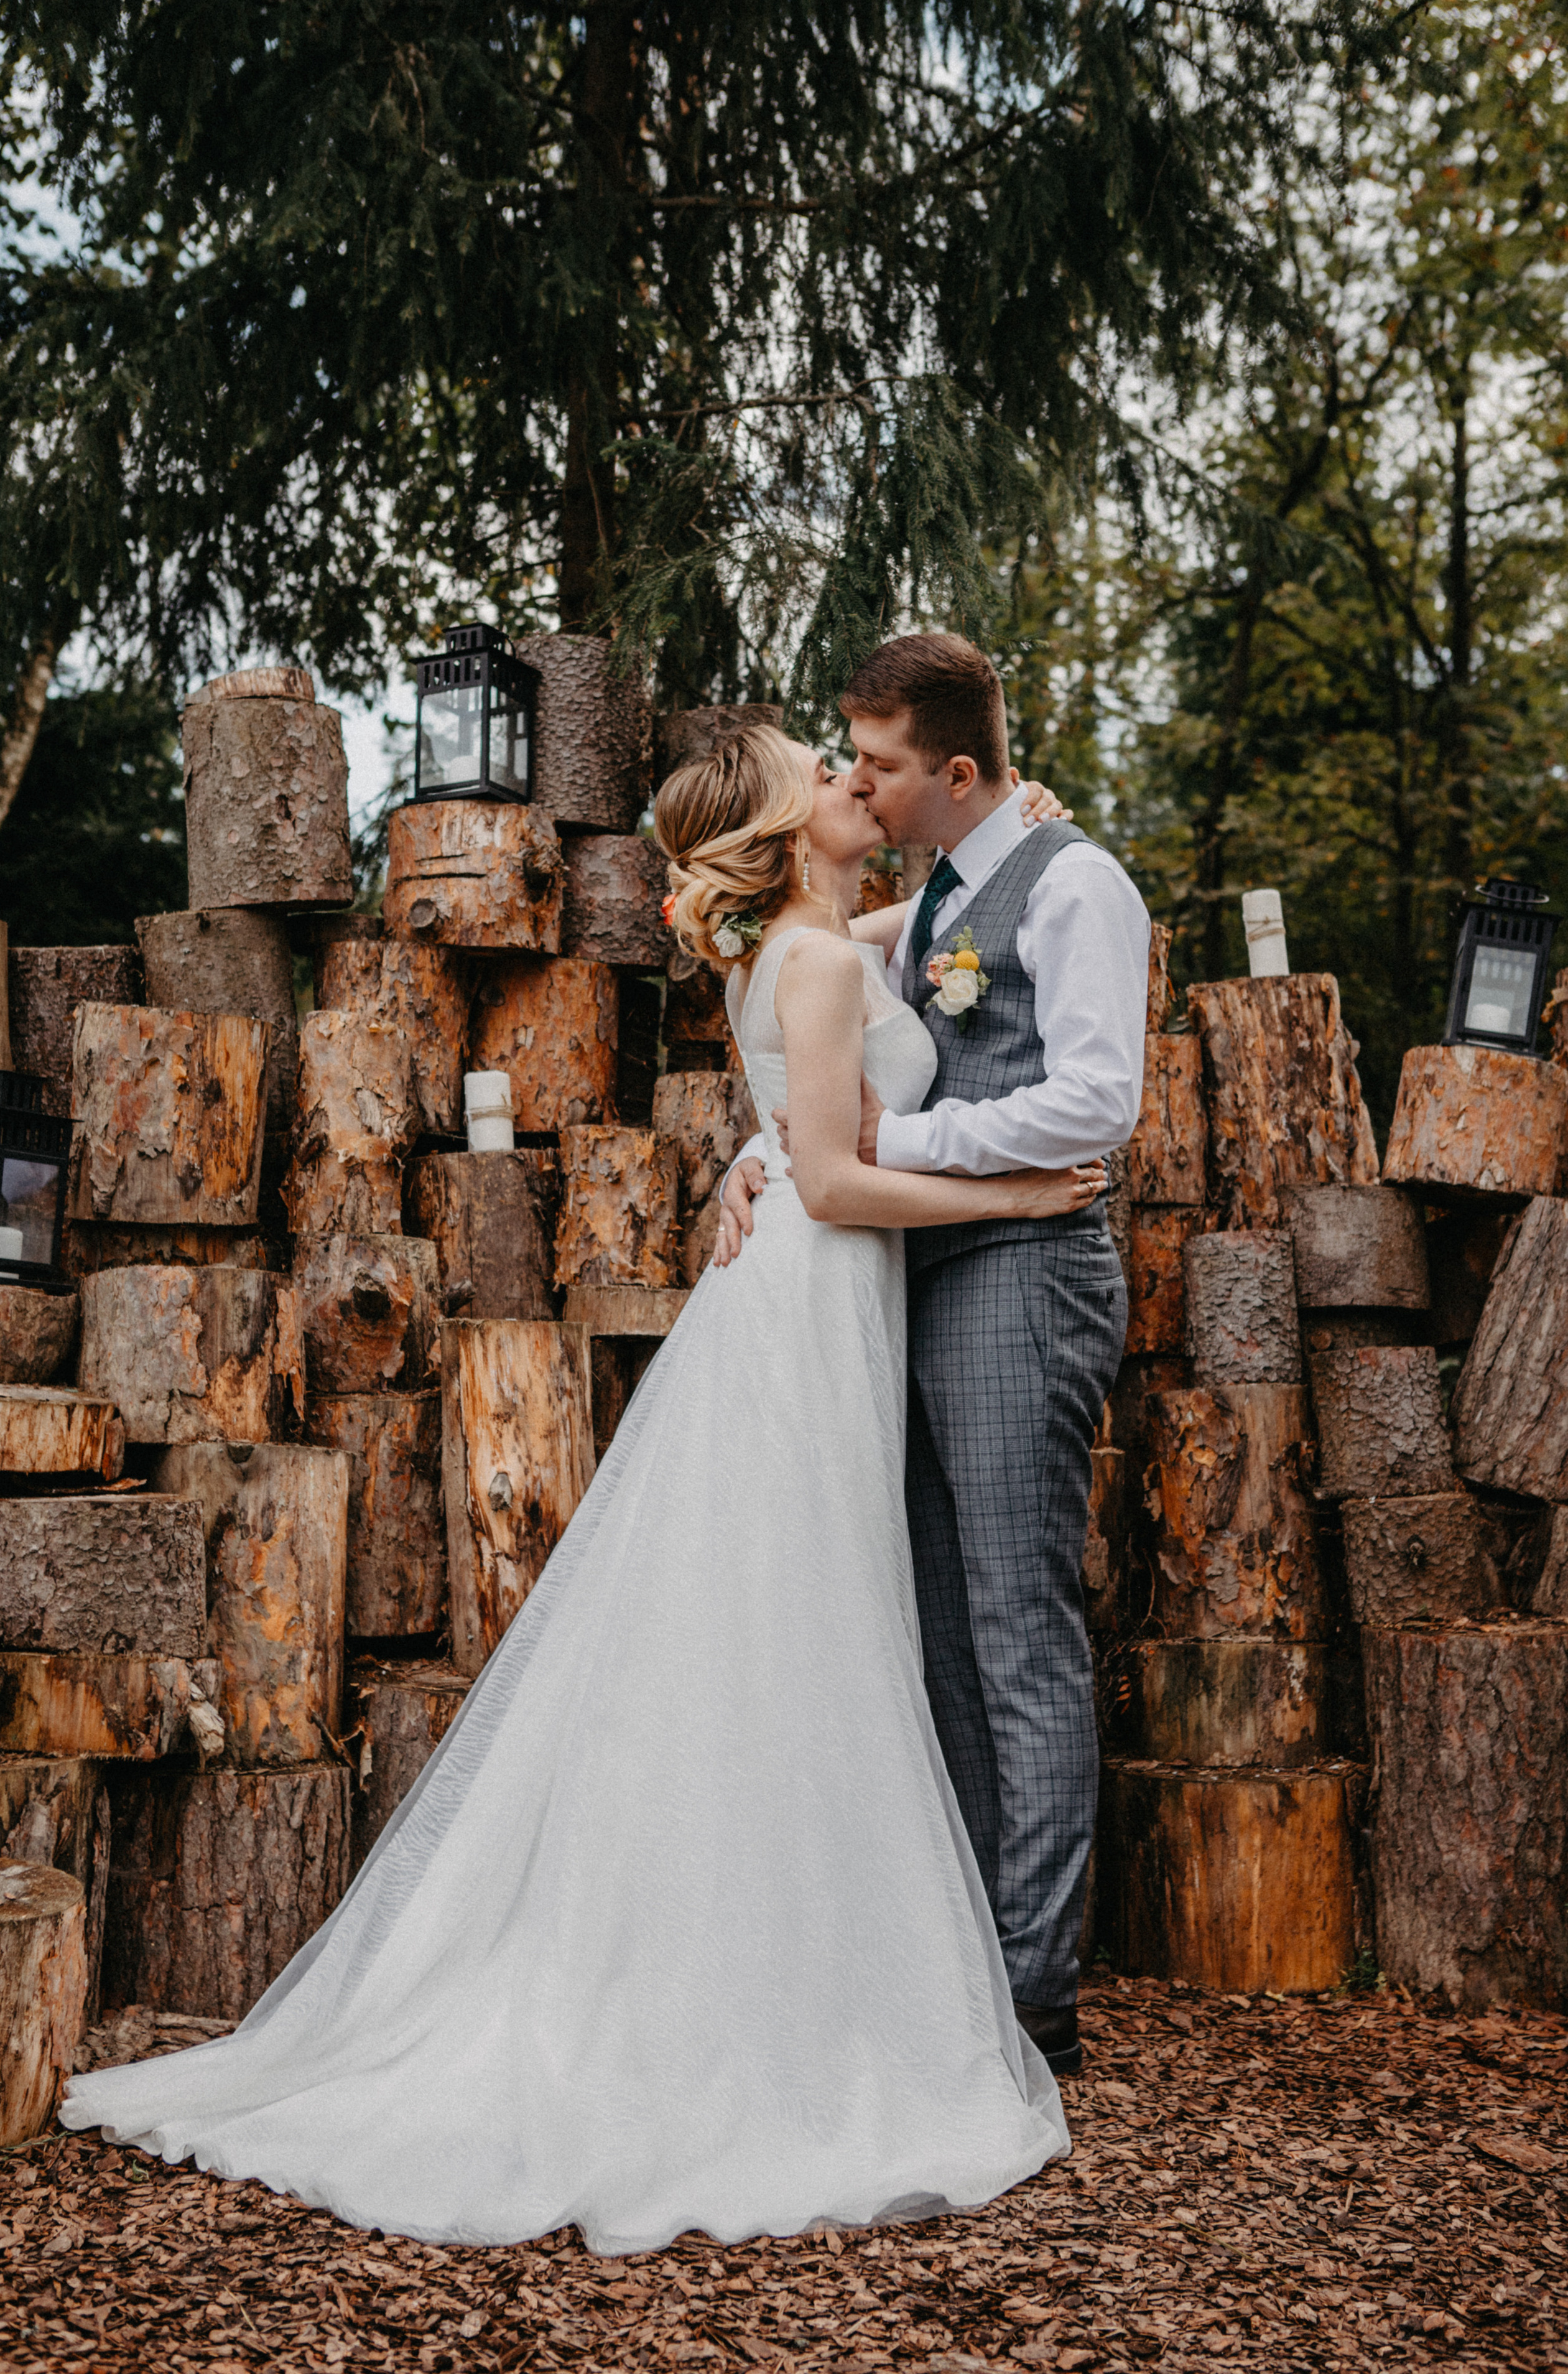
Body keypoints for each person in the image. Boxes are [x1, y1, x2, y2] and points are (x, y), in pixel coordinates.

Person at [60, 724, 1106, 2255]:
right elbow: (826, 1179)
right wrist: (1013, 1185)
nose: (848, 780)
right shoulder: (807, 967)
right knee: (801, 1619)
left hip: (815, 1309)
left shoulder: (807, 944)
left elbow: (908, 943)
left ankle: (775, 1954)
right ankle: (759, 1994)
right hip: (816, 1296)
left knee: (785, 1622)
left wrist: (1007, 841)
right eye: (822, 768)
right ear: (771, 822)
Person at [718, 635, 1149, 2076]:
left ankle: (1032, 1988)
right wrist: (759, 1157)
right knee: (941, 1630)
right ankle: (958, 1941)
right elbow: (804, 1008)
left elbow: (1095, 1100)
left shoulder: (1077, 885)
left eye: (883, 765)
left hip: (1020, 1279)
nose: (862, 783)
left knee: (1017, 1629)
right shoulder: (938, 897)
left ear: (955, 773)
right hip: (905, 1275)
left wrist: (884, 1146)